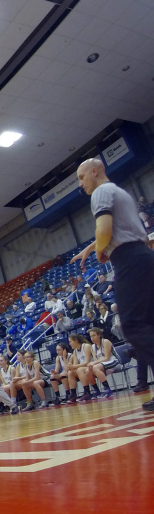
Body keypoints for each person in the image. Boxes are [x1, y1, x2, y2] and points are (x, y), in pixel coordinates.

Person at [72, 157, 154, 412]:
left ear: (94, 172)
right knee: (148, 324)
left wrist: (98, 252)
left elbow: (105, 229)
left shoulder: (100, 192)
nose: (81, 184)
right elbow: (121, 228)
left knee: (132, 325)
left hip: (129, 261)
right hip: (143, 257)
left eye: (81, 177)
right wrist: (90, 247)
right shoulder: (120, 192)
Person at [87, 327, 119, 398]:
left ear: (99, 335)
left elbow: (107, 358)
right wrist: (91, 364)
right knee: (88, 370)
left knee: (95, 367)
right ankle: (97, 391)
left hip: (114, 362)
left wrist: (94, 364)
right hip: (103, 365)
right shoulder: (92, 346)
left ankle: (108, 390)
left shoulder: (105, 341)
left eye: (94, 335)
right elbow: (96, 360)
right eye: (91, 336)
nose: (92, 338)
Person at [67, 333, 95, 402]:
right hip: (83, 369)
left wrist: (74, 366)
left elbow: (87, 362)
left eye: (70, 341)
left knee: (79, 369)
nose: (69, 344)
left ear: (76, 340)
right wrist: (70, 366)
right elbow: (75, 365)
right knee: (70, 372)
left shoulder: (86, 346)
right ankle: (73, 394)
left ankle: (87, 392)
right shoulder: (75, 351)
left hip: (92, 366)